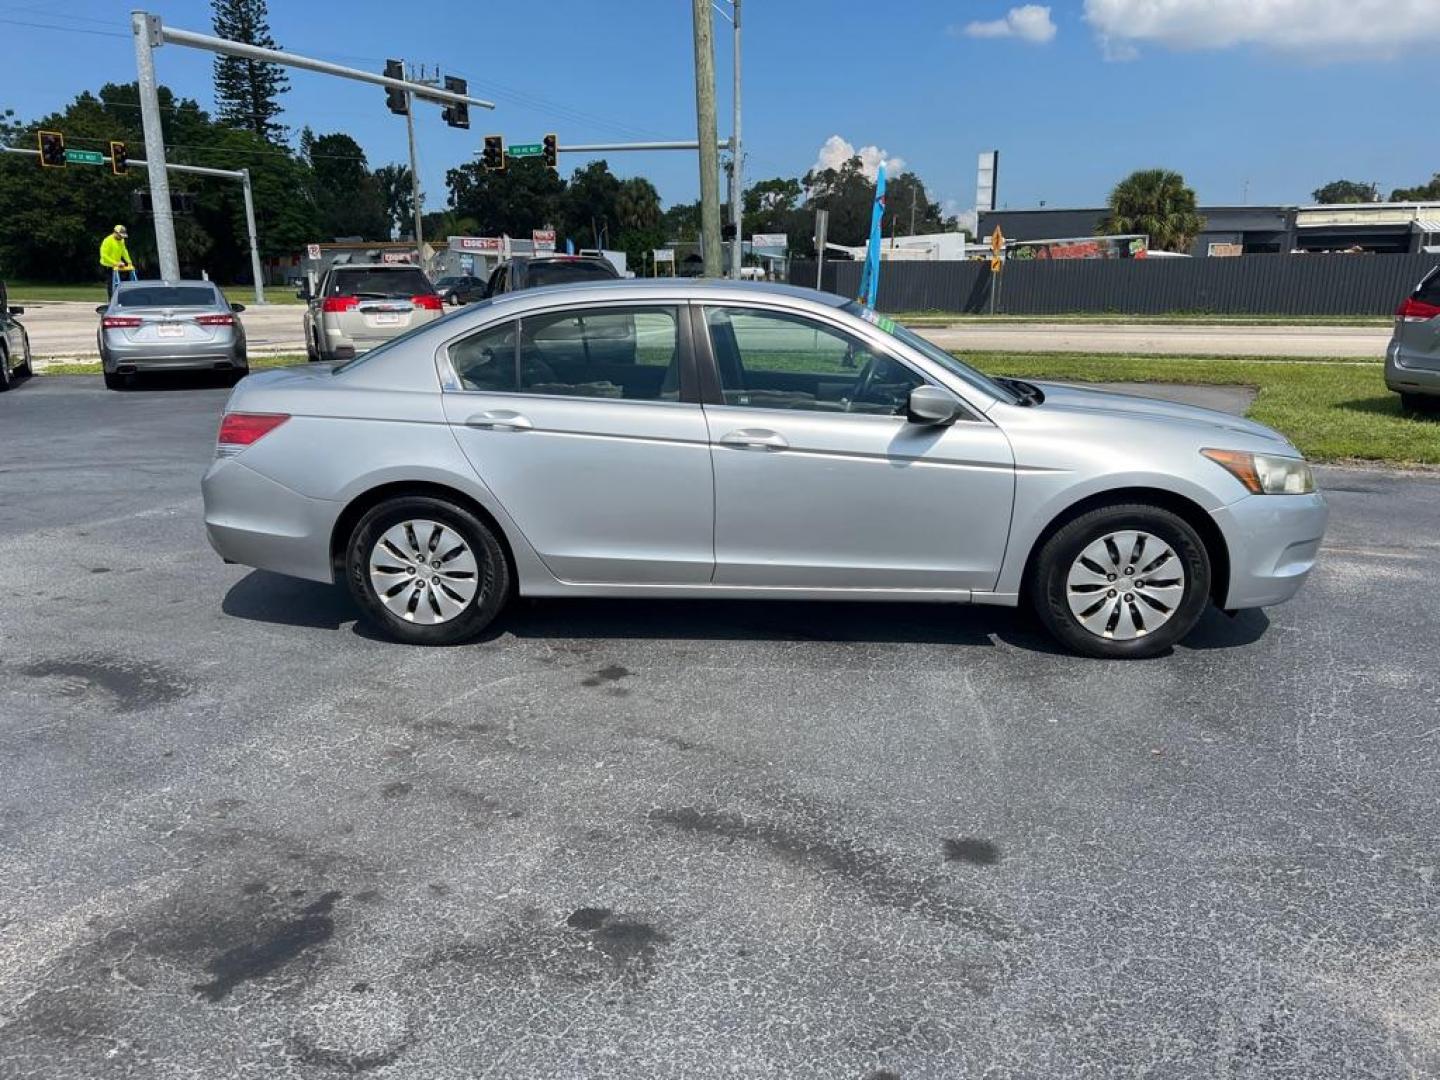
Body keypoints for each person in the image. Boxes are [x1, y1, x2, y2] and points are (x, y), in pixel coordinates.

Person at [99, 225, 134, 298]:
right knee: (111, 284)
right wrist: (116, 263)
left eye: (122, 236)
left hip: (118, 265)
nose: (121, 237)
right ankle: (112, 301)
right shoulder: (107, 241)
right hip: (107, 265)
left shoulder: (121, 240)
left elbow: (124, 251)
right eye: (120, 236)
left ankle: (121, 299)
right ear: (115, 233)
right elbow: (104, 255)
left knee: (121, 283)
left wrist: (129, 261)